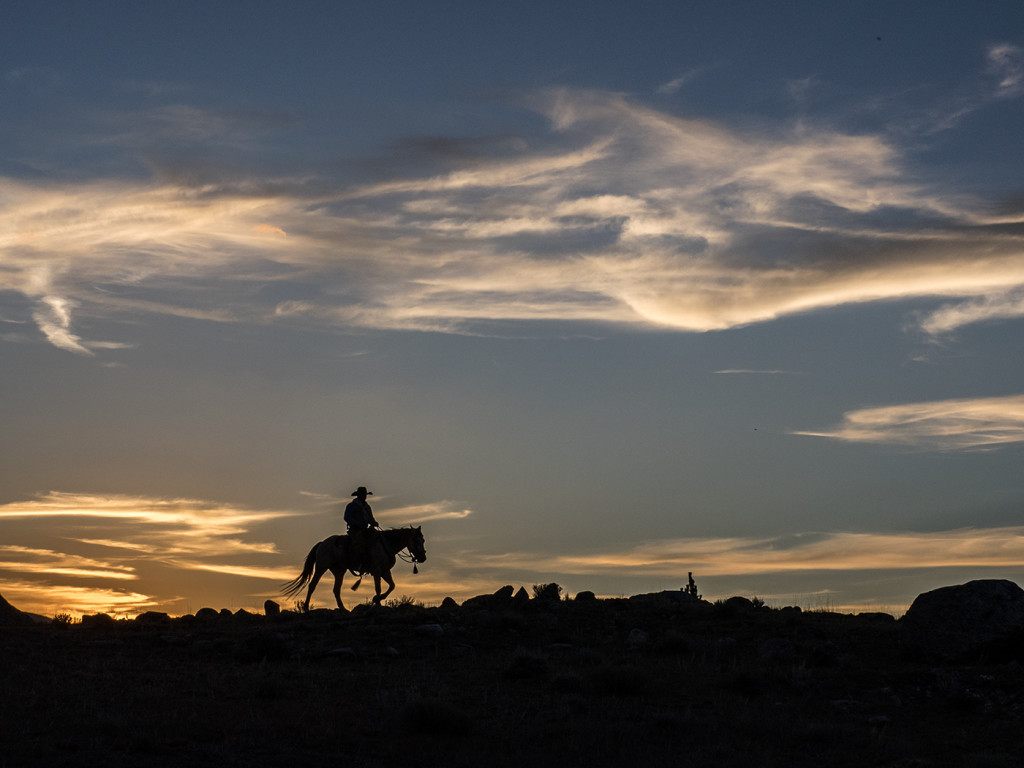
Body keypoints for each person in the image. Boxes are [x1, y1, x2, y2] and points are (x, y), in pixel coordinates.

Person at [344, 486, 379, 570]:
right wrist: (356, 523)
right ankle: (359, 562)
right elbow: (347, 517)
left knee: (377, 539)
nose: (364, 496)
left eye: (365, 495)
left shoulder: (367, 507)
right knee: (359, 543)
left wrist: (373, 522)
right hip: (355, 529)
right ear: (358, 495)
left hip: (365, 529)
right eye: (363, 495)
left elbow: (370, 518)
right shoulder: (351, 506)